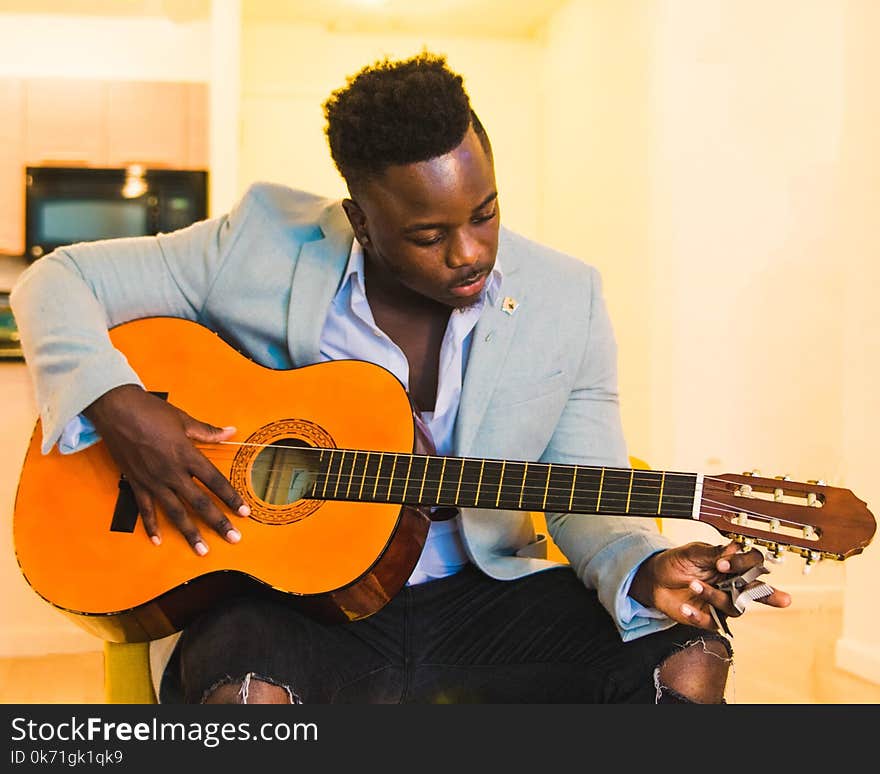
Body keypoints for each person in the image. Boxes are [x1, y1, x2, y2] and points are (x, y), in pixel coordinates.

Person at [10, 50, 790, 704]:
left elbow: (587, 478)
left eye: (484, 213)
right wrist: (119, 405)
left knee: (686, 655)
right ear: (359, 218)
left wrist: (643, 565)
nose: (470, 253)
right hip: (298, 607)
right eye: (428, 234)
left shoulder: (567, 298)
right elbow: (57, 280)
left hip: (486, 595)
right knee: (246, 691)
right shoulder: (260, 243)